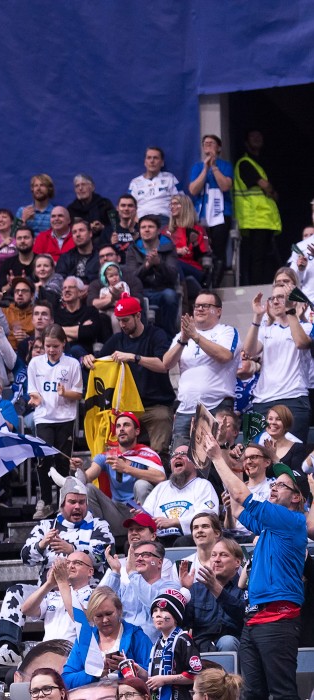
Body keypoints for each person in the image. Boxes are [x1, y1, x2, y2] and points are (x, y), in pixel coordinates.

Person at [205, 435, 307, 700]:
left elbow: (240, 494)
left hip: (278, 618)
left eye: (282, 486)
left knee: (282, 694)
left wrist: (217, 456)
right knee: (252, 695)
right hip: (253, 619)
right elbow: (238, 509)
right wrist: (237, 464)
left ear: (297, 497)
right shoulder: (270, 524)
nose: (273, 487)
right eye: (273, 483)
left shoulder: (289, 519)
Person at [0, 481, 111, 667]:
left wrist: (72, 549)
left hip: (85, 592)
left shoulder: (98, 525)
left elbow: (106, 554)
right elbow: (26, 558)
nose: (77, 506)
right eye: (72, 502)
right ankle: (8, 647)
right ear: (62, 504)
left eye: (82, 502)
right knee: (15, 592)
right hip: (49, 594)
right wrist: (41, 545)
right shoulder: (46, 526)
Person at [83, 294, 174, 455]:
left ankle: (159, 466)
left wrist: (134, 357)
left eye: (125, 320)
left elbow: (163, 365)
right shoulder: (117, 339)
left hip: (154, 405)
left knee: (161, 418)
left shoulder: (156, 335)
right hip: (126, 408)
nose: (122, 325)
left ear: (138, 316)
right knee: (107, 425)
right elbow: (98, 364)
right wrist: (86, 359)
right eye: (119, 320)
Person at [162, 292, 240, 443]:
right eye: (197, 306)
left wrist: (196, 337)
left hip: (216, 406)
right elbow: (166, 364)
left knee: (214, 459)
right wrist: (183, 340)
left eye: (205, 306)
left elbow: (224, 356)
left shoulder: (226, 331)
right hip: (186, 409)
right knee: (181, 459)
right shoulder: (182, 335)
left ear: (218, 311)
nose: (199, 309)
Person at [75, 412, 165, 536]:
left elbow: (161, 477)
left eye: (126, 425)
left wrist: (127, 469)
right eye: (118, 426)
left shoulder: (146, 453)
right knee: (89, 488)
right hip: (116, 512)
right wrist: (79, 469)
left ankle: (148, 532)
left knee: (141, 484)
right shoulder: (108, 456)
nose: (121, 429)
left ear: (137, 431)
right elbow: (86, 479)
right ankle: (99, 537)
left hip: (140, 510)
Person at [28, 325, 83, 519]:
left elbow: (78, 393)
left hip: (65, 418)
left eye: (55, 346)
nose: (51, 350)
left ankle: (62, 501)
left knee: (62, 460)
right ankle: (45, 500)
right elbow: (32, 388)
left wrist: (65, 393)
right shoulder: (35, 364)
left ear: (63, 344)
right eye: (47, 346)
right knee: (43, 459)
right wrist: (35, 398)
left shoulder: (72, 364)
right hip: (43, 417)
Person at [245, 284, 312, 440]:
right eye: (272, 298)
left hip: (293, 399)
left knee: (290, 458)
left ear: (293, 300)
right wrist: (257, 317)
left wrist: (290, 311)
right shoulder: (265, 329)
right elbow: (249, 352)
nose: (275, 302)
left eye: (280, 297)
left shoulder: (306, 327)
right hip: (262, 401)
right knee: (255, 456)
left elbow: (301, 343)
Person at [62, 586, 153, 689]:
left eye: (109, 614)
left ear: (119, 610)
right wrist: (95, 672)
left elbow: (153, 675)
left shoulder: (136, 636)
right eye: (99, 616)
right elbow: (66, 680)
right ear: (92, 616)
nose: (105, 620)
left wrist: (127, 667)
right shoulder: (84, 640)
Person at [234, 130, 281, 285]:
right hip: (254, 218)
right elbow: (265, 185)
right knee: (257, 257)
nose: (256, 139)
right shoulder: (245, 163)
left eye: (259, 136)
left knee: (265, 256)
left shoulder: (260, 163)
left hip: (263, 218)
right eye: (252, 136)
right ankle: (256, 287)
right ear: (246, 142)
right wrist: (272, 191)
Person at [188, 135, 233, 286]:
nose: (207, 145)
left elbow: (225, 186)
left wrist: (214, 167)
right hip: (201, 214)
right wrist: (205, 168)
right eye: (205, 143)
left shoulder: (225, 166)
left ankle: (215, 285)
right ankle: (202, 283)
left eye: (211, 143)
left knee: (218, 251)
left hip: (221, 214)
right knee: (200, 249)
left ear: (219, 147)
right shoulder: (197, 167)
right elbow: (193, 190)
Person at [146, 588, 201, 700]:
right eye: (155, 610)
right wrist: (139, 671)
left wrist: (165, 679)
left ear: (176, 617)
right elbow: (154, 677)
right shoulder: (157, 643)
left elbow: (195, 674)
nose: (158, 615)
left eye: (163, 610)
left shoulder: (183, 639)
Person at [128, 148, 179, 221]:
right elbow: (129, 205)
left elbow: (181, 202)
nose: (152, 161)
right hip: (142, 221)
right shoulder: (135, 182)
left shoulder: (170, 178)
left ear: (162, 163)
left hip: (164, 220)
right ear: (145, 162)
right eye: (149, 158)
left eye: (155, 158)